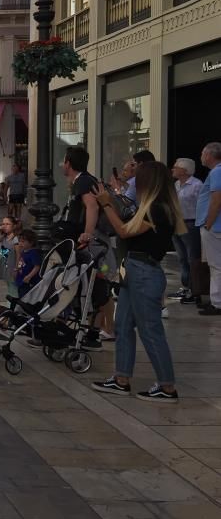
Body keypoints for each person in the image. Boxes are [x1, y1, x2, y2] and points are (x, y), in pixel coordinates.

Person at [92, 161, 186, 401]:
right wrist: (113, 198)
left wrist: (106, 204)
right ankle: (121, 379)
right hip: (134, 269)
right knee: (122, 326)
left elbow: (124, 231)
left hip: (144, 272)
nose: (135, 181)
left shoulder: (158, 209)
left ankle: (167, 386)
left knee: (150, 330)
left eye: (139, 178)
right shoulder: (153, 206)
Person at [169, 158, 203, 305]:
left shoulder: (197, 185)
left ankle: (194, 290)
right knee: (182, 257)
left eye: (176, 167)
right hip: (176, 223)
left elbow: (202, 205)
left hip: (190, 223)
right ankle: (185, 286)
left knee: (192, 257)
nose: (173, 169)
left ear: (184, 170)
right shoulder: (176, 185)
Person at [196, 142, 221, 316]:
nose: (201, 157)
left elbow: (216, 199)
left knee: (216, 265)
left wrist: (208, 223)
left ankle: (217, 302)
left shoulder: (217, 171)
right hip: (214, 226)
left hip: (214, 226)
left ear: (210, 155)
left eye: (203, 153)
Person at [59, 146, 99, 248]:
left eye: (64, 161)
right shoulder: (83, 180)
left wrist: (87, 235)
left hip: (82, 238)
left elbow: (92, 206)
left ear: (68, 164)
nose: (62, 165)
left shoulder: (83, 181)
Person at [14, 228, 41, 298]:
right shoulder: (24, 251)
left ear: (31, 242)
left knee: (26, 296)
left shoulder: (33, 253)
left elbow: (37, 266)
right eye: (19, 241)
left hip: (29, 280)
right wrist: (18, 268)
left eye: (23, 242)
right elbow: (21, 261)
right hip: (21, 278)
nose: (20, 244)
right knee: (20, 295)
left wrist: (29, 276)